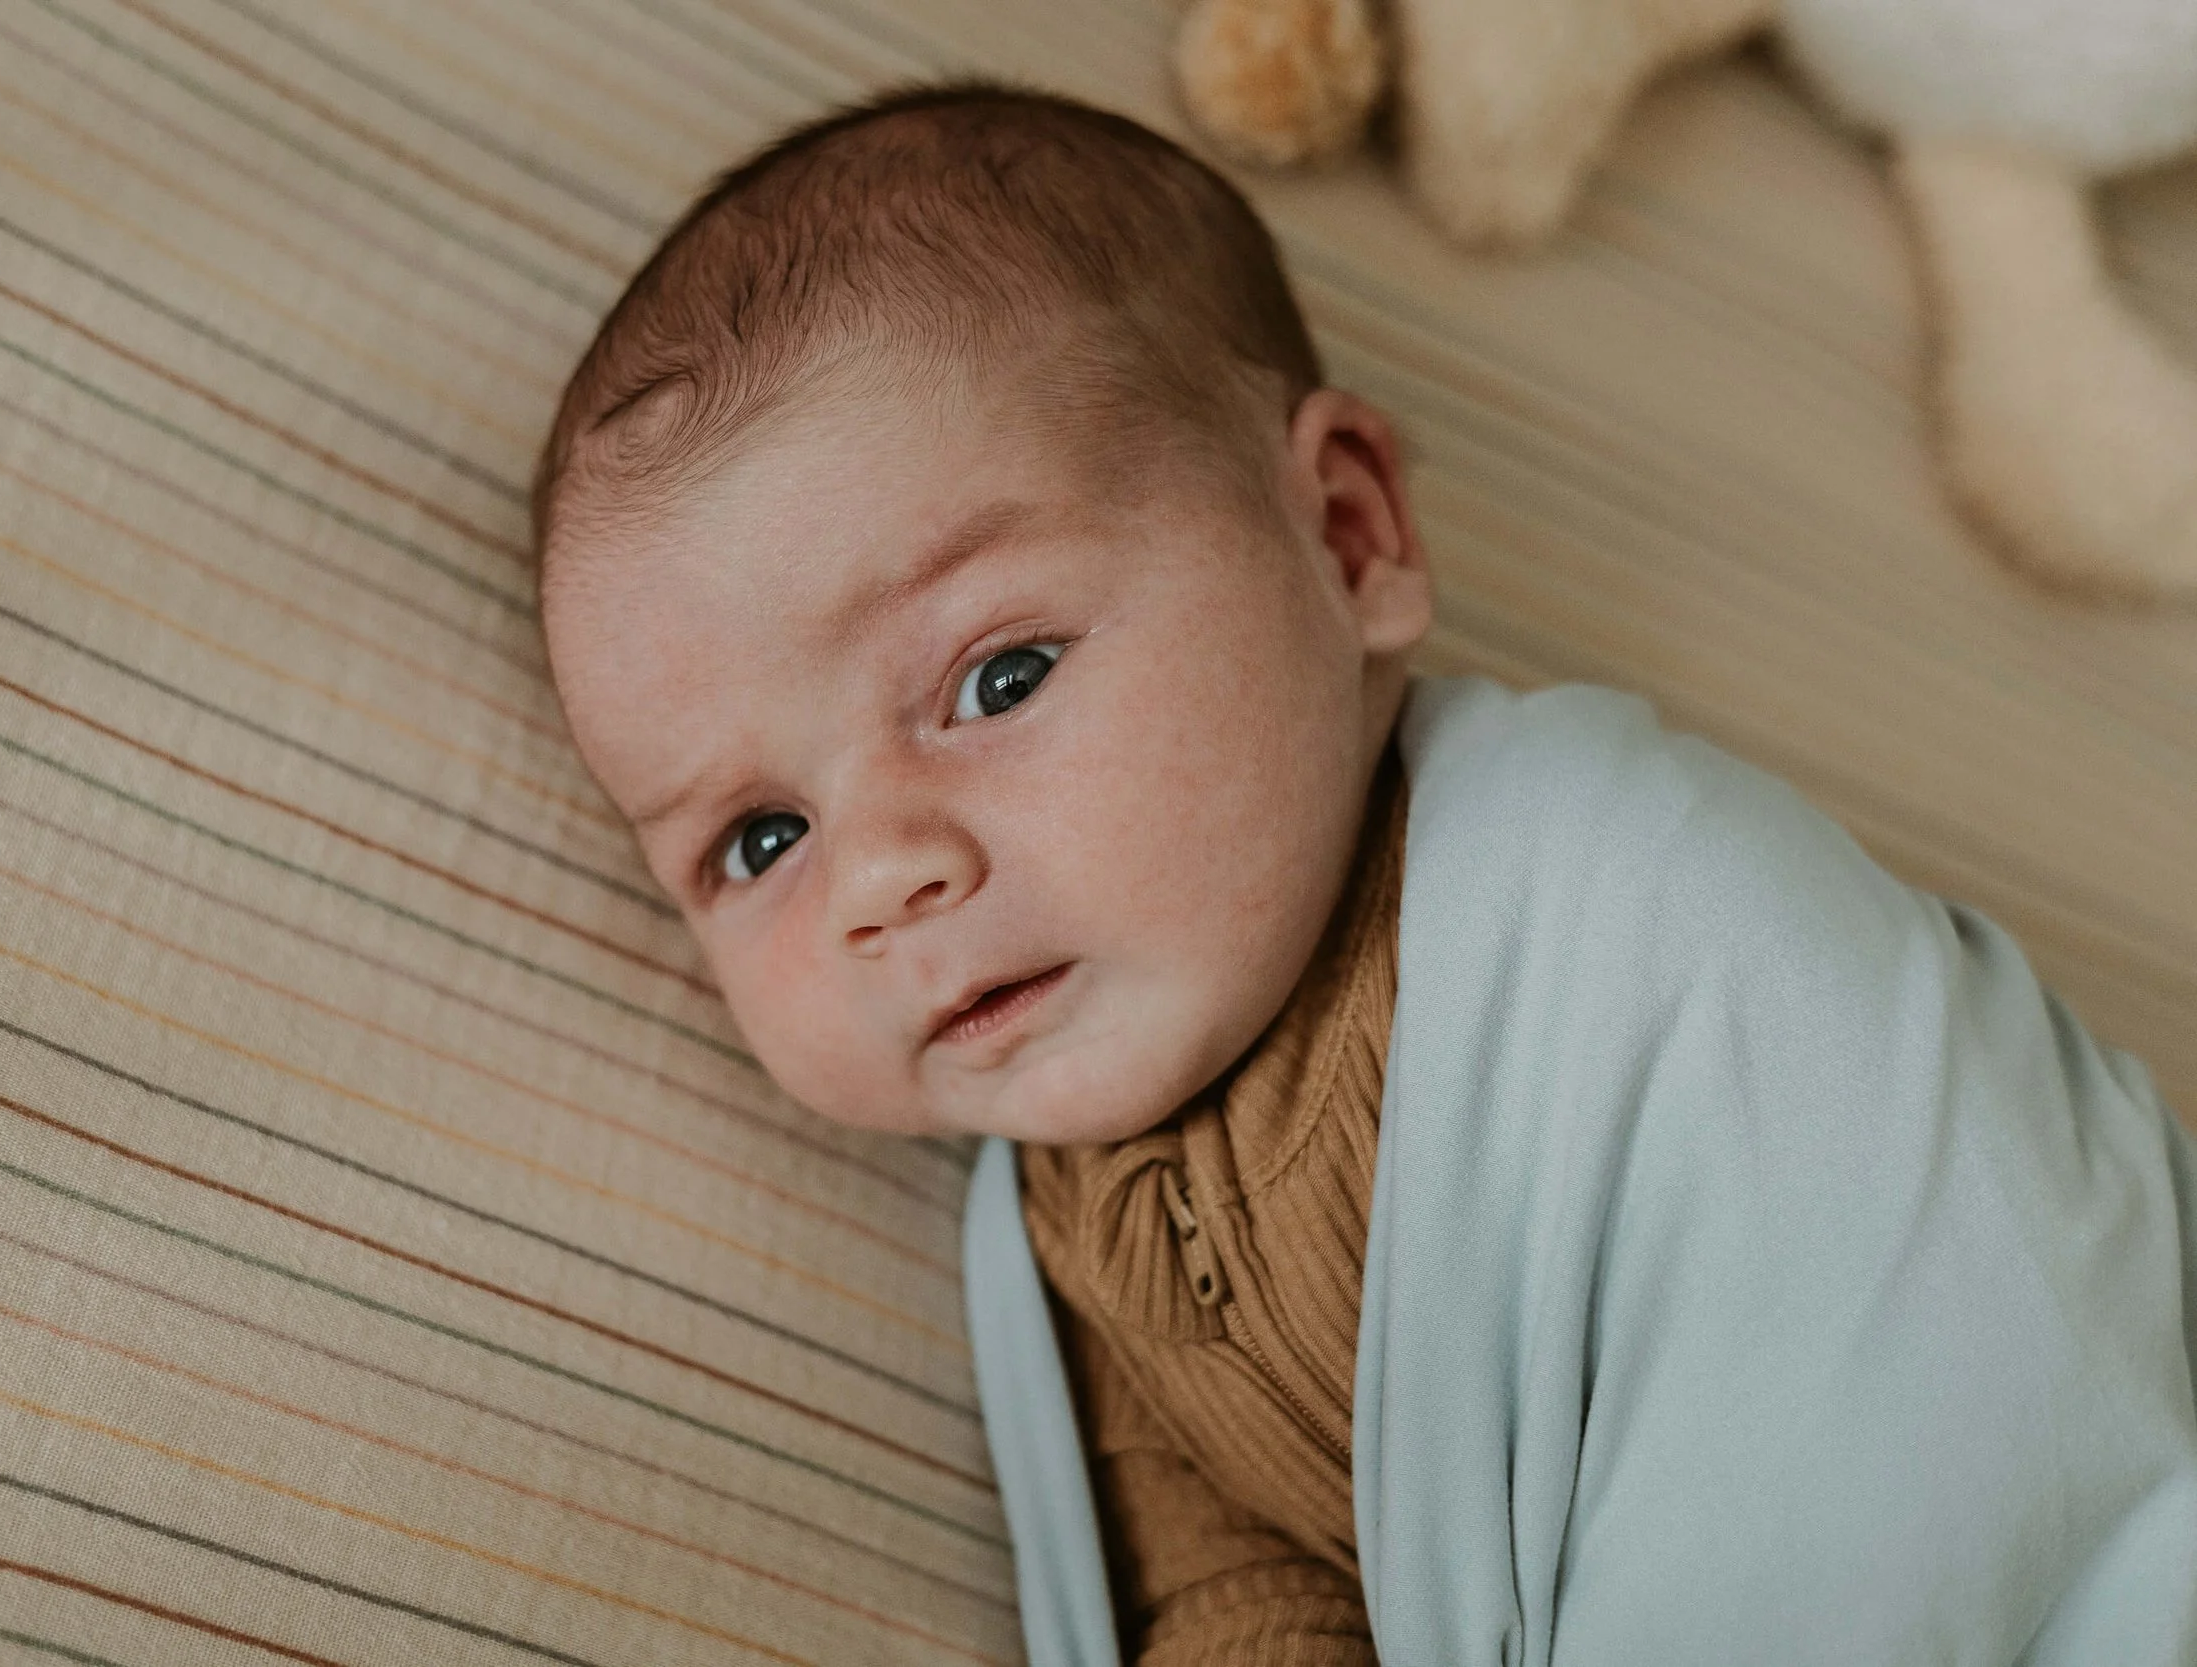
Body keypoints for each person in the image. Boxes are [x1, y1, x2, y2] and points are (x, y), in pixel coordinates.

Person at [528, 77, 2197, 1666]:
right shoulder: (1069, 1232)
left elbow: (1952, 1296)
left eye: (1000, 678)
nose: (880, 877)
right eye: (759, 838)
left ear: (1346, 537)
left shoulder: (1626, 898)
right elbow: (1240, 1579)